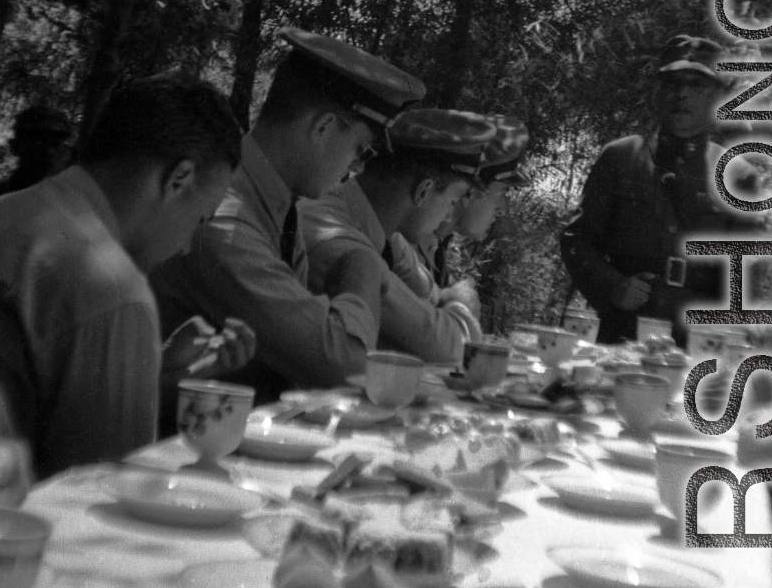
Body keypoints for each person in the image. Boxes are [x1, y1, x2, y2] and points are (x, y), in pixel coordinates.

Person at [0, 75, 251, 478]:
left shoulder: (6, 211)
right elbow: (103, 502)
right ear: (177, 180)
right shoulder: (114, 293)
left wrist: (154, 372)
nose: (185, 246)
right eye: (200, 219)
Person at [150, 27, 426, 401]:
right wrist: (363, 268)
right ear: (324, 127)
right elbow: (345, 365)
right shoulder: (229, 224)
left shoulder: (277, 208)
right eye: (360, 149)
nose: (356, 168)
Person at [560, 35, 758, 344]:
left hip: (696, 342)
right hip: (621, 330)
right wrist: (613, 286)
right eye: (673, 83)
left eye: (697, 85)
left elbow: (745, 281)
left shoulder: (739, 176)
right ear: (657, 93)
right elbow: (576, 238)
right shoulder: (622, 156)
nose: (682, 94)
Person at [301, 108, 497, 358]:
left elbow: (433, 297)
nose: (448, 215)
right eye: (452, 200)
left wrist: (448, 305)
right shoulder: (338, 240)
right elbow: (451, 347)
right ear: (423, 191)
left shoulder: (383, 234)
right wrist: (461, 304)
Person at [390, 115, 529, 315]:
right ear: (469, 192)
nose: (503, 208)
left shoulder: (432, 251)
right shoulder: (403, 249)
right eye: (502, 193)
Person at [0, 106, 73, 198]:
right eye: (39, 142)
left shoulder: (71, 199)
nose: (49, 151)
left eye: (56, 143)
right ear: (17, 146)